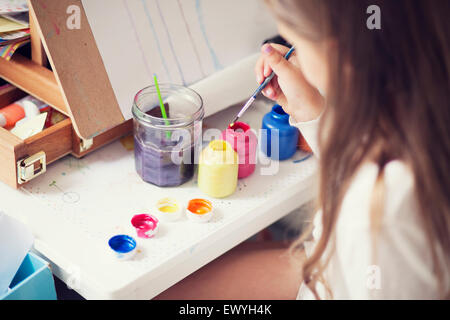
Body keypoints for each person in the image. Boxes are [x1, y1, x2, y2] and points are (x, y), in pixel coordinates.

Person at [156, 0, 449, 299]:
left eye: (295, 42)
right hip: (332, 270)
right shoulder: (416, 114)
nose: (291, 51)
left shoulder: (383, 213)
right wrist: (311, 111)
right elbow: (360, 165)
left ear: (336, 54)